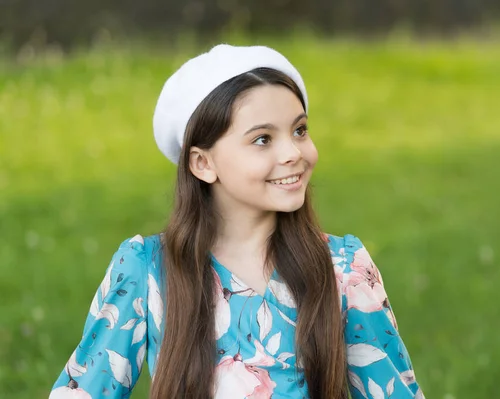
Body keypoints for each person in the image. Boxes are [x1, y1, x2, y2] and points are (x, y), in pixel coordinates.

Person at [49, 44, 425, 399]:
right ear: (203, 163)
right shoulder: (147, 271)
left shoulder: (343, 267)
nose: (293, 153)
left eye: (300, 130)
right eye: (263, 139)